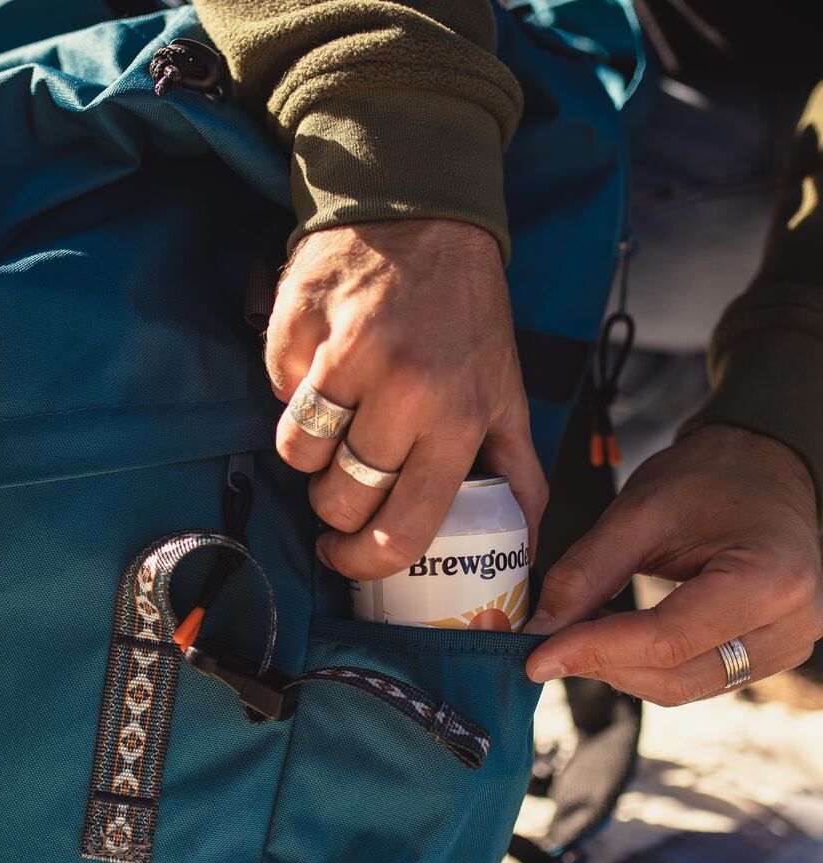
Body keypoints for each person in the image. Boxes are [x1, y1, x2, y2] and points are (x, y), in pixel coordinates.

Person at [192, 0, 823, 706]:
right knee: (506, 382)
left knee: (558, 412)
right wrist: (403, 181)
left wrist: (783, 420)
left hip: (768, 126)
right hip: (567, 75)